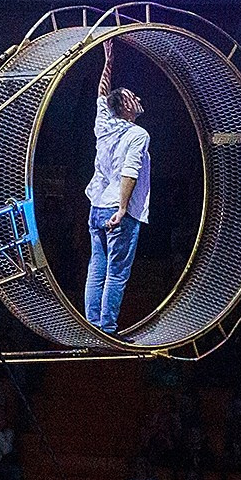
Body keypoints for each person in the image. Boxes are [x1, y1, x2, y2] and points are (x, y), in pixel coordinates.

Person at [84, 39, 151, 334]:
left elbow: (102, 94)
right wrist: (123, 208)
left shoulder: (104, 123)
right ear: (124, 106)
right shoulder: (138, 134)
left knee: (97, 265)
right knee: (116, 272)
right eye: (131, 96)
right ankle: (107, 327)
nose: (137, 97)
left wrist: (108, 60)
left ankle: (92, 323)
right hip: (116, 210)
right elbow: (130, 172)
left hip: (97, 207)